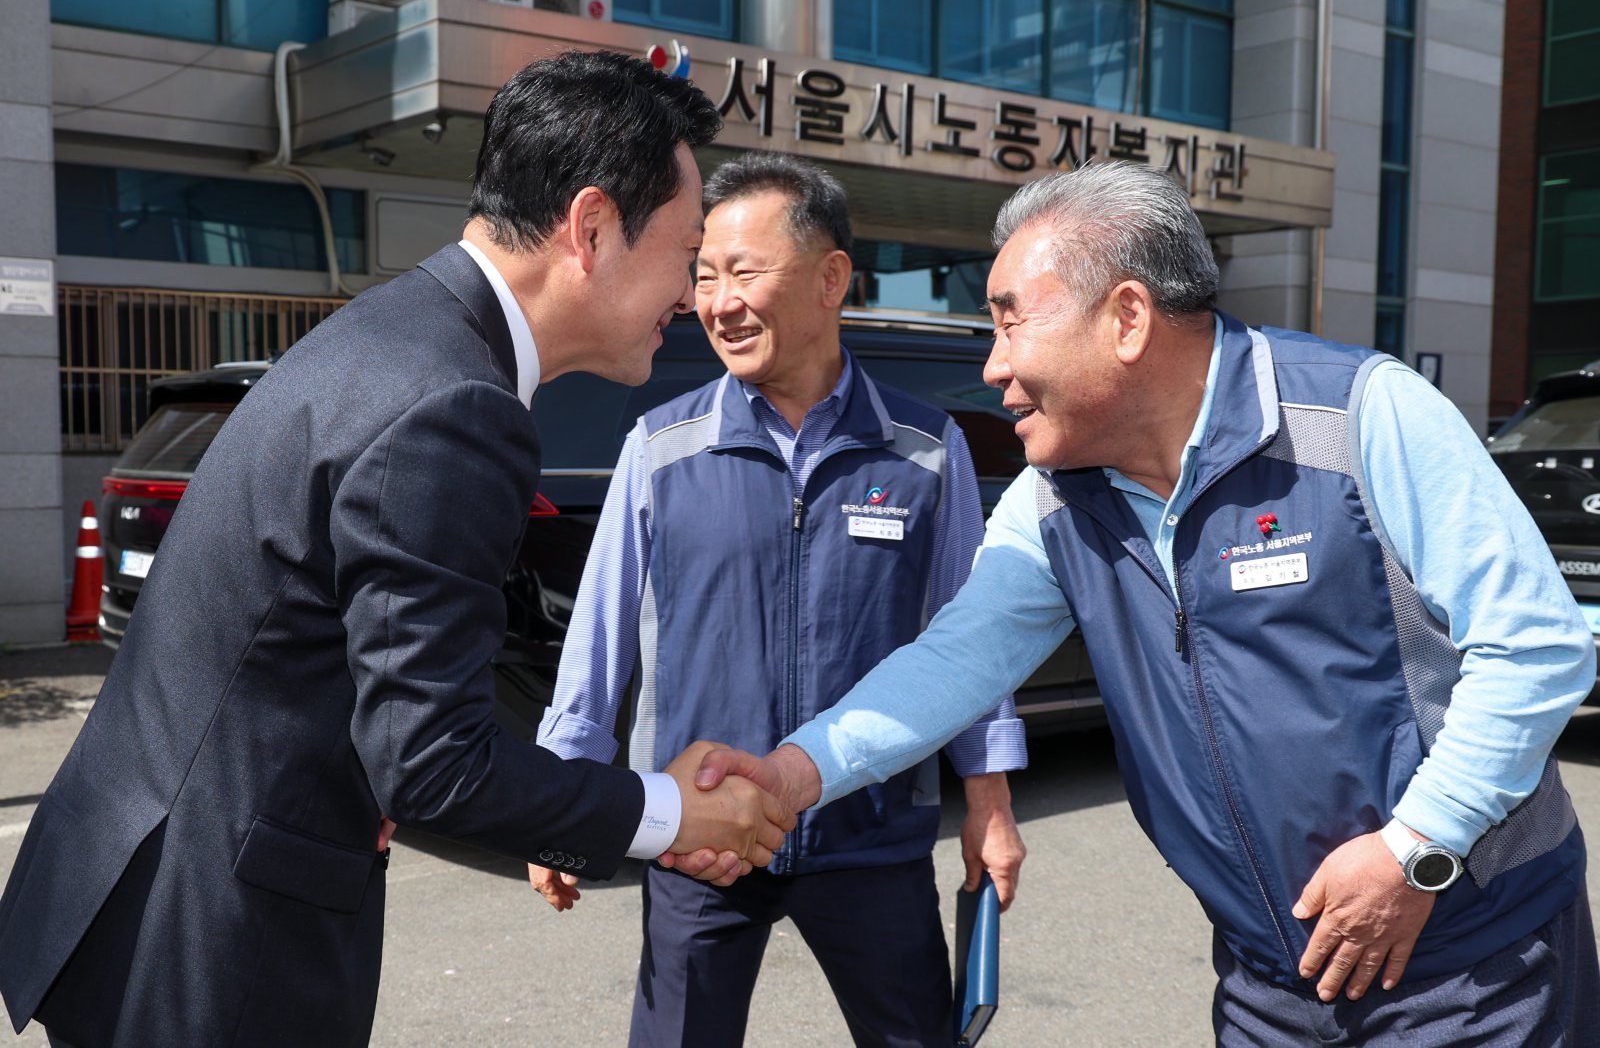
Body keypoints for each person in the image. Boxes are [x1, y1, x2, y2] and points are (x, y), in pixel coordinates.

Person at [683, 161, 1600, 1044]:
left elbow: (1537, 647)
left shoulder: (1358, 415)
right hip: (1269, 981)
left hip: (1470, 964)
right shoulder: (1054, 498)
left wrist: (1417, 848)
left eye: (1010, 322)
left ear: (1127, 317)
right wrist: (793, 774)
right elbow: (954, 661)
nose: (992, 366)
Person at [0, 51, 794, 1048]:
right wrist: (671, 812)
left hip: (148, 891)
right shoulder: (456, 405)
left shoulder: (399, 330)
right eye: (686, 252)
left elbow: (315, 656)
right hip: (209, 947)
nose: (688, 295)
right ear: (591, 228)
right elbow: (430, 764)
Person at [530, 151, 1028, 1047]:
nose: (718, 302)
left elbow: (968, 641)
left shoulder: (925, 448)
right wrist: (560, 799)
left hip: (872, 835)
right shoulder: (661, 446)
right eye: (704, 275)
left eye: (744, 272)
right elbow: (598, 642)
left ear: (831, 277)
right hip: (699, 837)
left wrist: (989, 804)